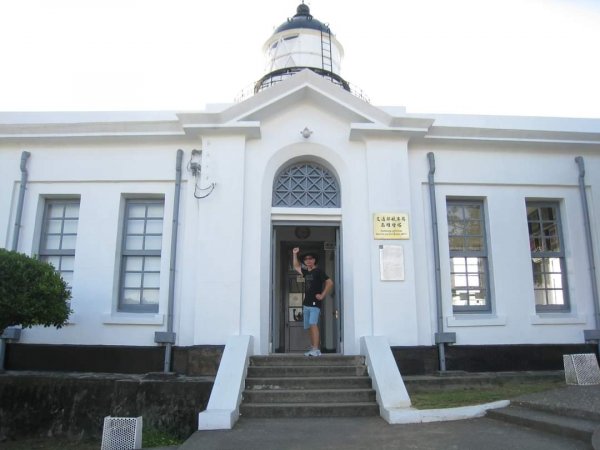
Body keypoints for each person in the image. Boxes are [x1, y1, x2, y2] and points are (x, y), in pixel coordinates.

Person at [292, 247, 333, 357]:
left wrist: (322, 295)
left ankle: (316, 349)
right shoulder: (306, 272)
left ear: (314, 260)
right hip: (306, 304)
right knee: (310, 326)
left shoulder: (319, 271)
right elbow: (296, 266)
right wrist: (294, 254)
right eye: (306, 259)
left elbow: (329, 282)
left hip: (315, 304)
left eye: (310, 258)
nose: (308, 260)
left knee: (313, 324)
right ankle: (313, 347)